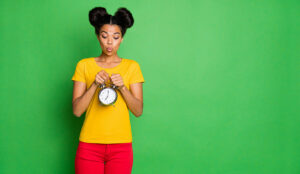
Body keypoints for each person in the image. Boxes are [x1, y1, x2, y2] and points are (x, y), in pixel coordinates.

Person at [71, 7, 145, 174]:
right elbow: (77, 110)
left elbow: (138, 110)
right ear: (98, 37)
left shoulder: (132, 67)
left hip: (121, 146)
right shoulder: (84, 65)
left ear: (122, 39)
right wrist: (94, 85)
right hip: (89, 145)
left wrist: (123, 88)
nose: (110, 42)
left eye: (115, 37)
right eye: (104, 36)